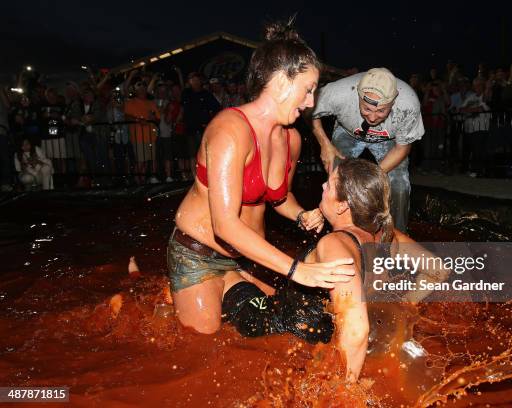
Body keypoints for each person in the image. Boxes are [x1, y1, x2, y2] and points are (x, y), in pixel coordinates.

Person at [167, 20, 354, 337]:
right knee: (202, 341)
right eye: (308, 90)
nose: (311, 103)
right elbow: (224, 225)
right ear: (281, 82)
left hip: (247, 257)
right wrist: (299, 270)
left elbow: (279, 198)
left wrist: (301, 214)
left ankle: (230, 287)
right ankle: (176, 293)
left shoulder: (291, 139)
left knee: (301, 325)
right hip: (197, 254)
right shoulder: (230, 129)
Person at [302, 158, 449, 381]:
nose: (323, 186)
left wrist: (345, 391)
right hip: (375, 348)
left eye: (329, 185)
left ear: (343, 205)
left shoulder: (334, 244)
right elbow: (438, 270)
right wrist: (404, 305)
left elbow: (356, 328)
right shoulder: (387, 238)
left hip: (313, 345)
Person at [311, 68, 425, 232]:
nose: (372, 118)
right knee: (336, 180)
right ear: (357, 96)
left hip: (388, 140)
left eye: (381, 111)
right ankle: (337, 231)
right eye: (366, 109)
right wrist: (324, 143)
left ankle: (398, 234)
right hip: (348, 132)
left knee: (399, 185)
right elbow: (309, 109)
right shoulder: (339, 92)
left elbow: (402, 148)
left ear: (393, 103)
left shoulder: (408, 104)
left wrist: (373, 178)